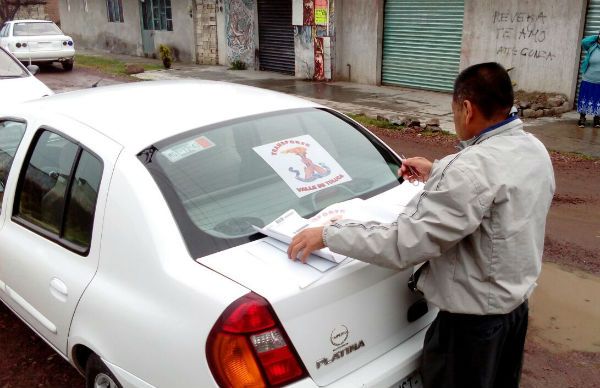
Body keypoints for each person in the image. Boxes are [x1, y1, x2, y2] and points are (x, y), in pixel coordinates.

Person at [288, 62, 555, 388]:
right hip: (514, 314)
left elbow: (404, 243)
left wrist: (329, 233)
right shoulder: (533, 149)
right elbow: (494, 190)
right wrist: (437, 171)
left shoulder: (467, 171)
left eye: (454, 109)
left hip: (471, 331)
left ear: (467, 109)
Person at [578, 32, 600, 128]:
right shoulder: (592, 46)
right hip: (588, 78)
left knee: (598, 100)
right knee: (584, 99)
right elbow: (584, 41)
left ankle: (597, 119)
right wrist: (596, 36)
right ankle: (582, 118)